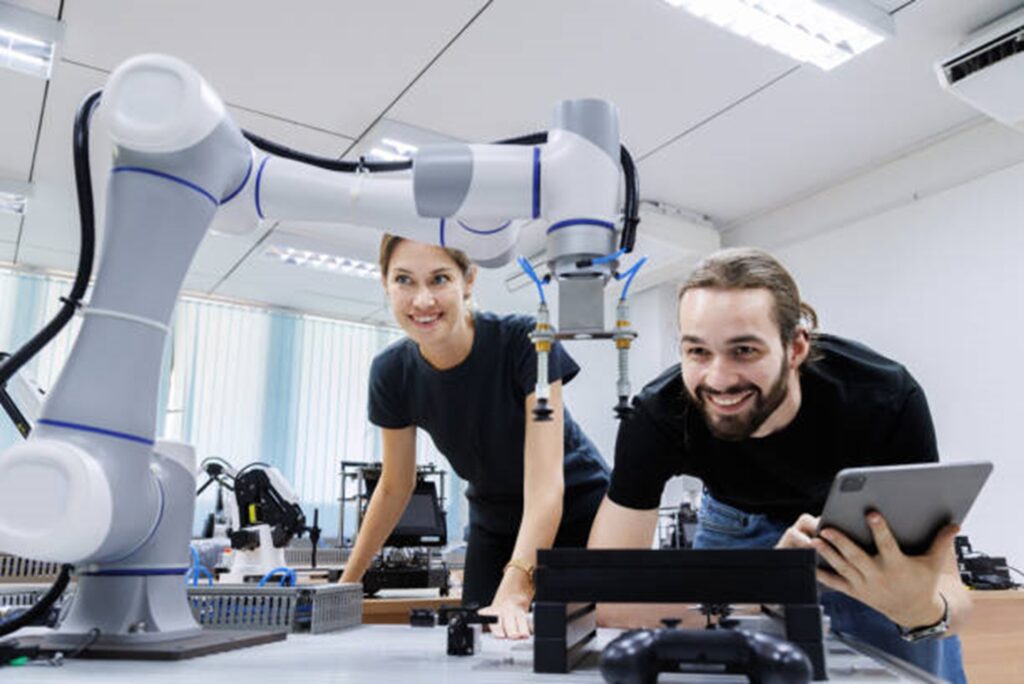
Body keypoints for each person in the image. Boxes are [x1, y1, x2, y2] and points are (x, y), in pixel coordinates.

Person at [587, 247, 970, 681]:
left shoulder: (885, 397)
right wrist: (766, 586)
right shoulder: (658, 413)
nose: (718, 378)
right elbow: (606, 596)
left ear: (795, 348)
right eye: (697, 351)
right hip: (734, 523)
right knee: (714, 668)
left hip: (856, 536)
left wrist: (921, 611)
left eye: (744, 350)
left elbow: (952, 599)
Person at [339, 234, 610, 639]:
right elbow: (395, 486)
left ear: (469, 280)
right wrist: (346, 586)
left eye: (440, 279)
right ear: (384, 283)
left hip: (576, 508)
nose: (423, 300)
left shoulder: (526, 340)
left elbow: (545, 486)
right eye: (404, 280)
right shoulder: (391, 372)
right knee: (478, 639)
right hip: (494, 521)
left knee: (575, 640)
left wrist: (519, 586)